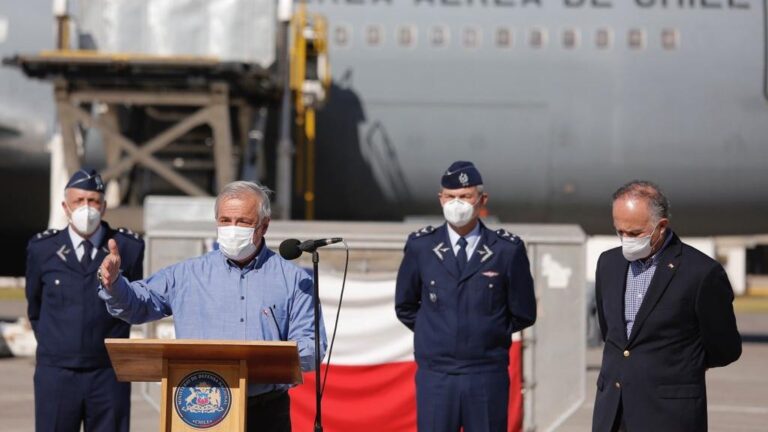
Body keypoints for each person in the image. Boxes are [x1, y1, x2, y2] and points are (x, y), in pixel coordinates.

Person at [97, 180, 326, 432]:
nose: (232, 228)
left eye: (243, 222)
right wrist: (114, 283)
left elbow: (312, 347)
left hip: (265, 411)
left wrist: (266, 358)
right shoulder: (187, 274)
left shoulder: (295, 280)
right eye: (225, 221)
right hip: (201, 409)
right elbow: (136, 305)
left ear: (264, 226)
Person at [395, 161, 537, 432]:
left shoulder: (506, 250)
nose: (456, 203)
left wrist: (487, 331)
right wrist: (437, 332)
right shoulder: (421, 247)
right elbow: (405, 305)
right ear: (440, 199)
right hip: (437, 376)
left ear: (482, 199)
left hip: (486, 374)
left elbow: (523, 312)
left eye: (465, 196)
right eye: (450, 196)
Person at [592, 180, 742, 432]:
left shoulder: (701, 273)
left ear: (660, 227)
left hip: (668, 415)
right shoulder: (608, 264)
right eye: (620, 232)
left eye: (634, 233)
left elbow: (724, 348)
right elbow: (613, 334)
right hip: (613, 413)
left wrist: (676, 368)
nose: (625, 240)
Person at [25, 168, 145, 432]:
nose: (86, 207)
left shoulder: (128, 247)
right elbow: (35, 307)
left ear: (103, 207)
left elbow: (134, 302)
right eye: (79, 201)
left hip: (109, 371)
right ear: (65, 207)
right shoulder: (42, 249)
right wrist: (56, 344)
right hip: (56, 372)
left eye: (93, 201)